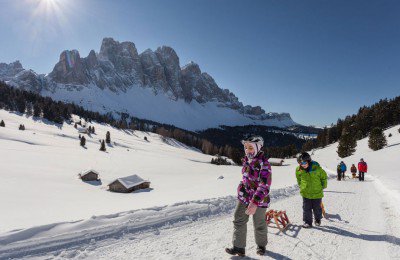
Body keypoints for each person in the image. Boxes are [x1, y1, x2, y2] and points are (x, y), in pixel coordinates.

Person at [225, 136, 272, 257]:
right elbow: (246, 179)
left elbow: (264, 185)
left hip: (259, 200)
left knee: (259, 223)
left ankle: (261, 246)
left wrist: (255, 202)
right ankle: (239, 247)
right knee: (238, 219)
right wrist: (241, 187)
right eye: (246, 147)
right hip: (245, 196)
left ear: (258, 148)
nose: (247, 150)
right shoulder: (247, 160)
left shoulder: (264, 164)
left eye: (250, 147)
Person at [296, 152, 328, 228]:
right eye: (300, 163)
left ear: (308, 161)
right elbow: (298, 179)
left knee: (317, 208)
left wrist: (323, 186)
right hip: (305, 193)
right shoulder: (298, 170)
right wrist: (301, 186)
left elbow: (324, 177)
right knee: (306, 208)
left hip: (317, 192)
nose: (302, 165)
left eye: (304, 162)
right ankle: (307, 222)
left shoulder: (317, 168)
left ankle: (317, 220)